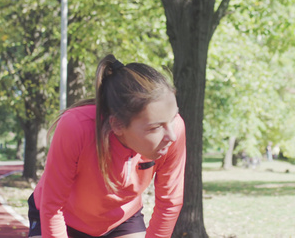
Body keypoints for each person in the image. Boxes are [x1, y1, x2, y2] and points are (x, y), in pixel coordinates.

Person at [28, 54, 186, 238]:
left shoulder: (173, 129)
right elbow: (53, 205)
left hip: (121, 220)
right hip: (60, 215)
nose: (172, 136)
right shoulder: (76, 126)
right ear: (117, 125)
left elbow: (170, 202)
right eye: (155, 127)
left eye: (173, 117)